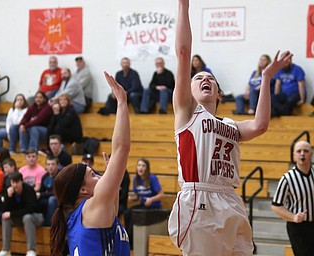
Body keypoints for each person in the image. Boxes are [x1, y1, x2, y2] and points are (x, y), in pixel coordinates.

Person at [167, 1, 293, 255]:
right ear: (188, 92)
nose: (205, 79)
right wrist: (183, 6)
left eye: (210, 78)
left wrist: (266, 79)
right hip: (199, 197)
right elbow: (182, 52)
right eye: (198, 78)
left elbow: (260, 125)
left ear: (219, 95)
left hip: (231, 200)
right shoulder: (187, 113)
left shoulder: (230, 125)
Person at [50, 71, 130, 256]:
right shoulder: (93, 208)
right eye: (93, 175)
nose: (100, 176)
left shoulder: (91, 214)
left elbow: (114, 187)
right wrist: (122, 102)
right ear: (83, 191)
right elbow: (122, 148)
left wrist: (113, 171)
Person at [271, 140, 314, 256]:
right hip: (299, 228)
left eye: (306, 151)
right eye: (299, 151)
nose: (302, 154)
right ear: (294, 155)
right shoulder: (287, 178)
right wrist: (294, 217)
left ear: (311, 154)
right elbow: (276, 206)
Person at [0, 172, 44, 256]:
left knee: (27, 217)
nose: (14, 185)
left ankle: (31, 250)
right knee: (5, 217)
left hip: (36, 216)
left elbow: (30, 209)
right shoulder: (9, 191)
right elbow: (5, 210)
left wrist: (11, 214)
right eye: (12, 182)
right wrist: (8, 197)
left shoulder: (29, 190)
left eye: (17, 182)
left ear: (22, 181)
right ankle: (6, 250)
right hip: (20, 217)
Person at [124, 158, 164, 249]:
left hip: (154, 206)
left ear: (147, 168)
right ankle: (127, 239)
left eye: (143, 165)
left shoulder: (152, 178)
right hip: (143, 205)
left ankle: (132, 243)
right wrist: (131, 198)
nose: (140, 168)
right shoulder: (135, 180)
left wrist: (151, 199)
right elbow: (137, 196)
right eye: (139, 165)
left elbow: (161, 194)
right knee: (127, 213)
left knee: (135, 214)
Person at [37, 156, 59, 226]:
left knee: (52, 199)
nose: (50, 167)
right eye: (48, 164)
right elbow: (41, 191)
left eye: (53, 164)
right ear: (46, 166)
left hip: (59, 200)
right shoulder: (45, 176)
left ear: (57, 166)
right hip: (47, 198)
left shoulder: (61, 176)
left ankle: (49, 225)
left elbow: (57, 193)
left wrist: (42, 195)